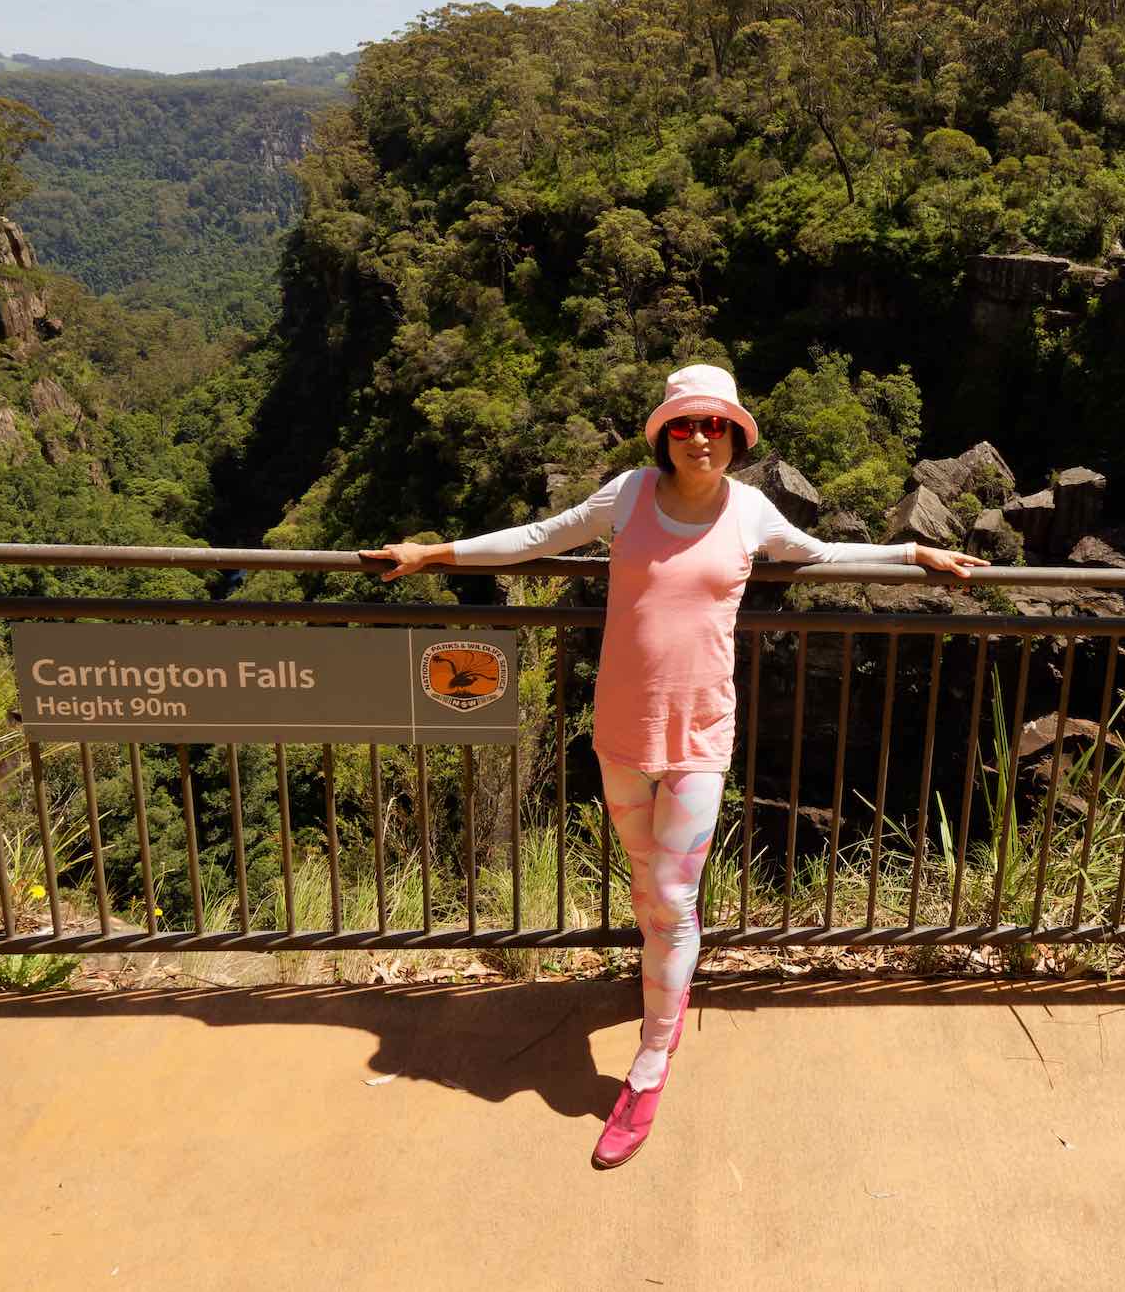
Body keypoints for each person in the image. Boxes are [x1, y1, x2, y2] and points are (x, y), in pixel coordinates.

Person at [363, 362, 985, 1167]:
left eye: (716, 425)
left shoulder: (751, 511)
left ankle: (653, 1056)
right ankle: (665, 969)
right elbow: (536, 538)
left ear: (734, 436)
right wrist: (432, 553)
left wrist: (911, 551)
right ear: (664, 434)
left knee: (669, 892)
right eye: (686, 424)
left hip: (699, 736)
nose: (701, 437)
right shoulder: (627, 496)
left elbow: (823, 553)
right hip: (621, 729)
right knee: (643, 878)